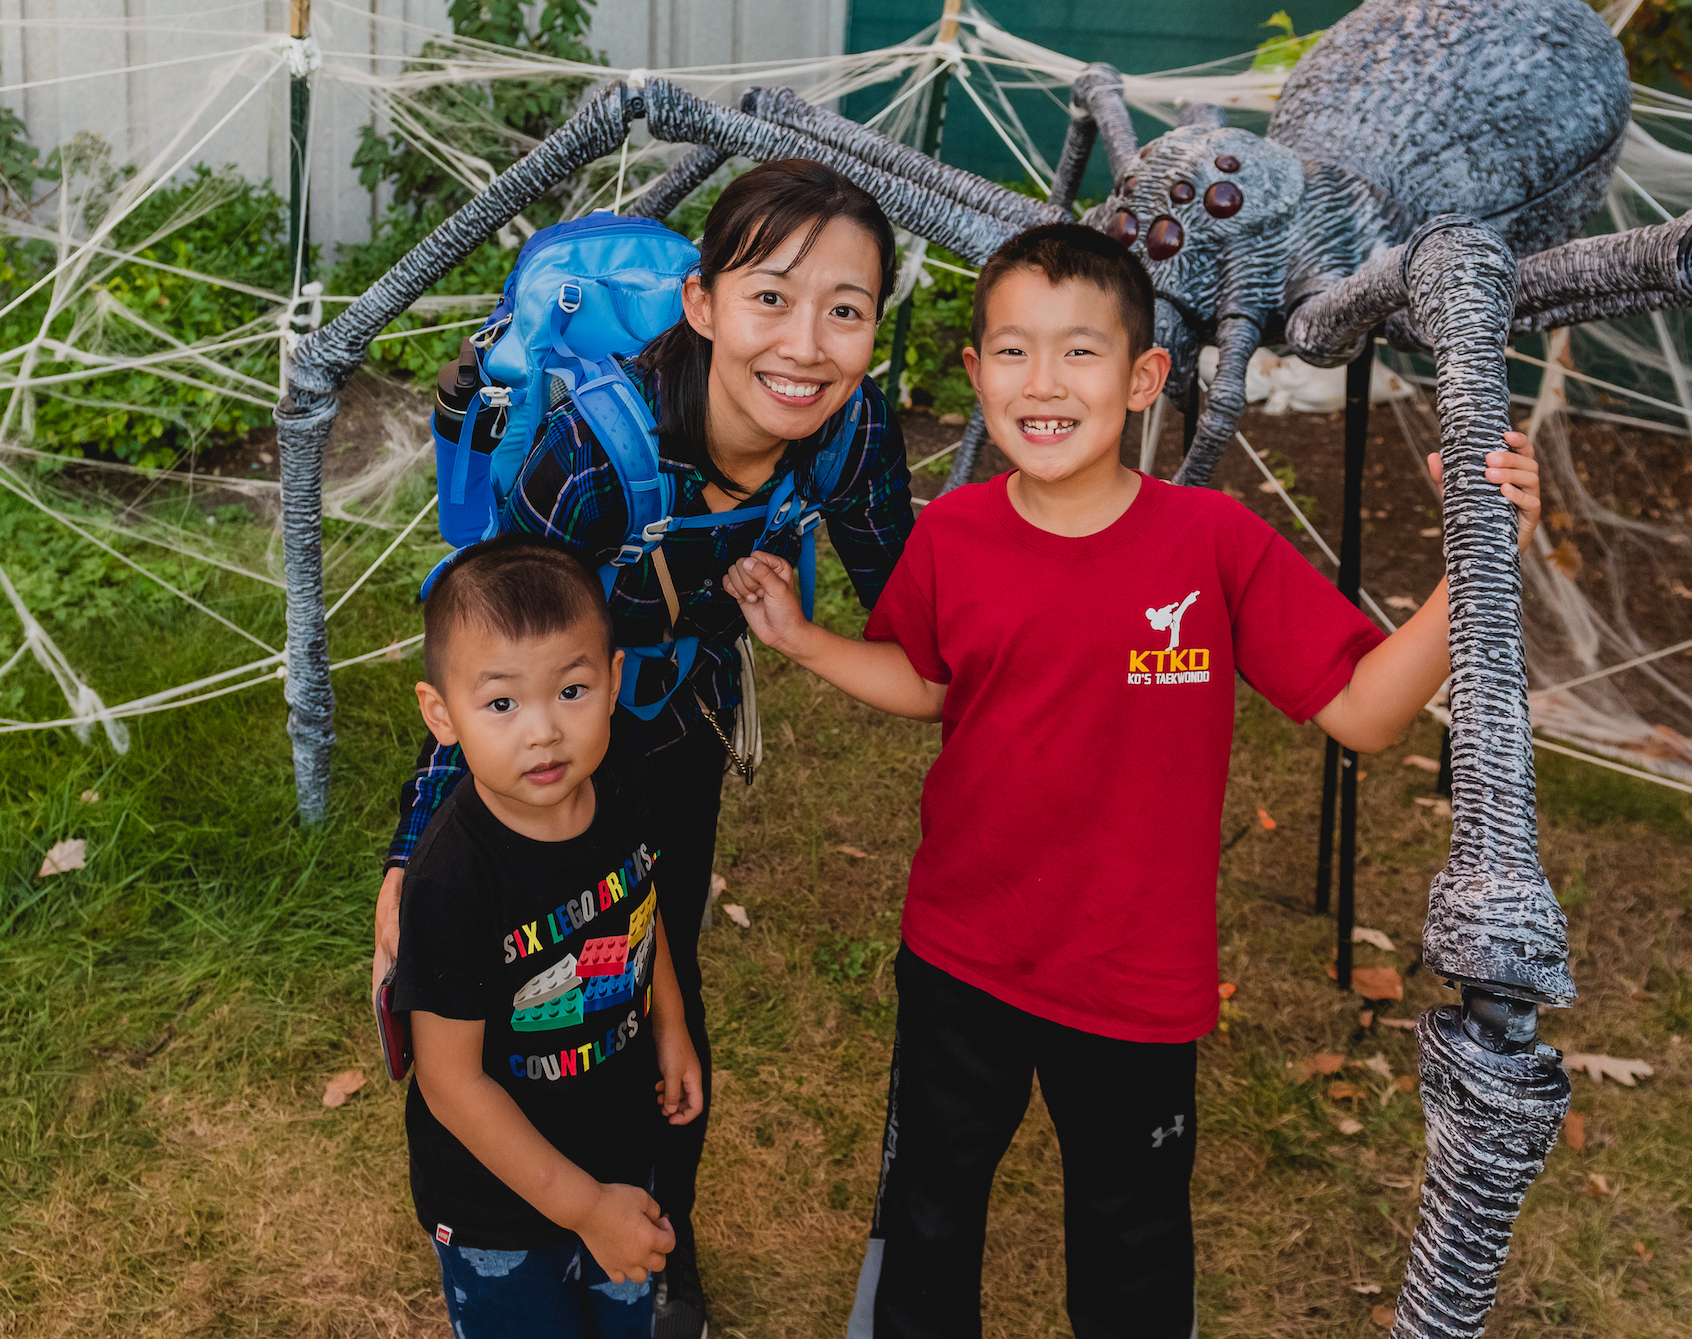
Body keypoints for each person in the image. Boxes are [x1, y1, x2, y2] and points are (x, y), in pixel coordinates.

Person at [722, 222, 1541, 1339]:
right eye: (1012, 352)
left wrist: (1473, 566)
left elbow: (1365, 713)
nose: (1043, 382)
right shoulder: (954, 533)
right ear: (974, 376)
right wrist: (805, 640)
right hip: (961, 953)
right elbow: (928, 682)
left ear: (1146, 377)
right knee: (930, 1208)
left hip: (1132, 979)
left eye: (1080, 352)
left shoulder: (1214, 543)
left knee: (1132, 1234)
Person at [376, 159, 915, 1337]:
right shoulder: (591, 447)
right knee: (514, 984)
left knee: (647, 971)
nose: (808, 346)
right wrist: (413, 853)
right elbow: (497, 653)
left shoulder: (854, 428)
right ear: (704, 304)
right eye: (771, 297)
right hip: (549, 721)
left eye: (847, 310)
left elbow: (921, 608)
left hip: (676, 724)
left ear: (877, 328)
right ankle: (523, 1232)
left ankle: (656, 1255)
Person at [389, 536, 704, 1338]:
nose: (543, 733)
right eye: (501, 704)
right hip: (500, 1209)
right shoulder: (450, 883)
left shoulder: (622, 785)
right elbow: (452, 1085)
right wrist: (585, 1208)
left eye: (570, 690)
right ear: (442, 716)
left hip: (619, 1151)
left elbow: (642, 905)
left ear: (613, 683)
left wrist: (670, 1026)